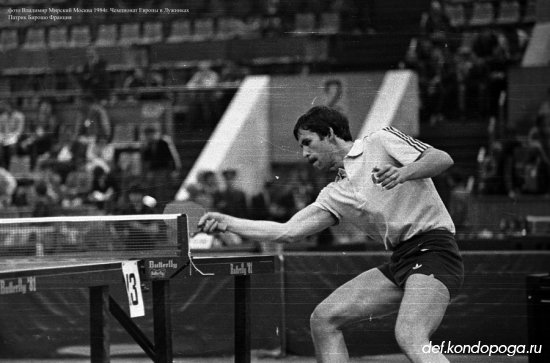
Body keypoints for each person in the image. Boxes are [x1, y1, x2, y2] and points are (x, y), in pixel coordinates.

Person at [199, 106, 464, 363]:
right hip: (401, 260)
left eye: (307, 142)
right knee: (324, 319)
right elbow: (287, 231)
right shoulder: (335, 193)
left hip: (434, 250)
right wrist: (228, 222)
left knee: (410, 335)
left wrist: (403, 172)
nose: (303, 153)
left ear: (328, 134)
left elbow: (441, 158)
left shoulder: (381, 140)